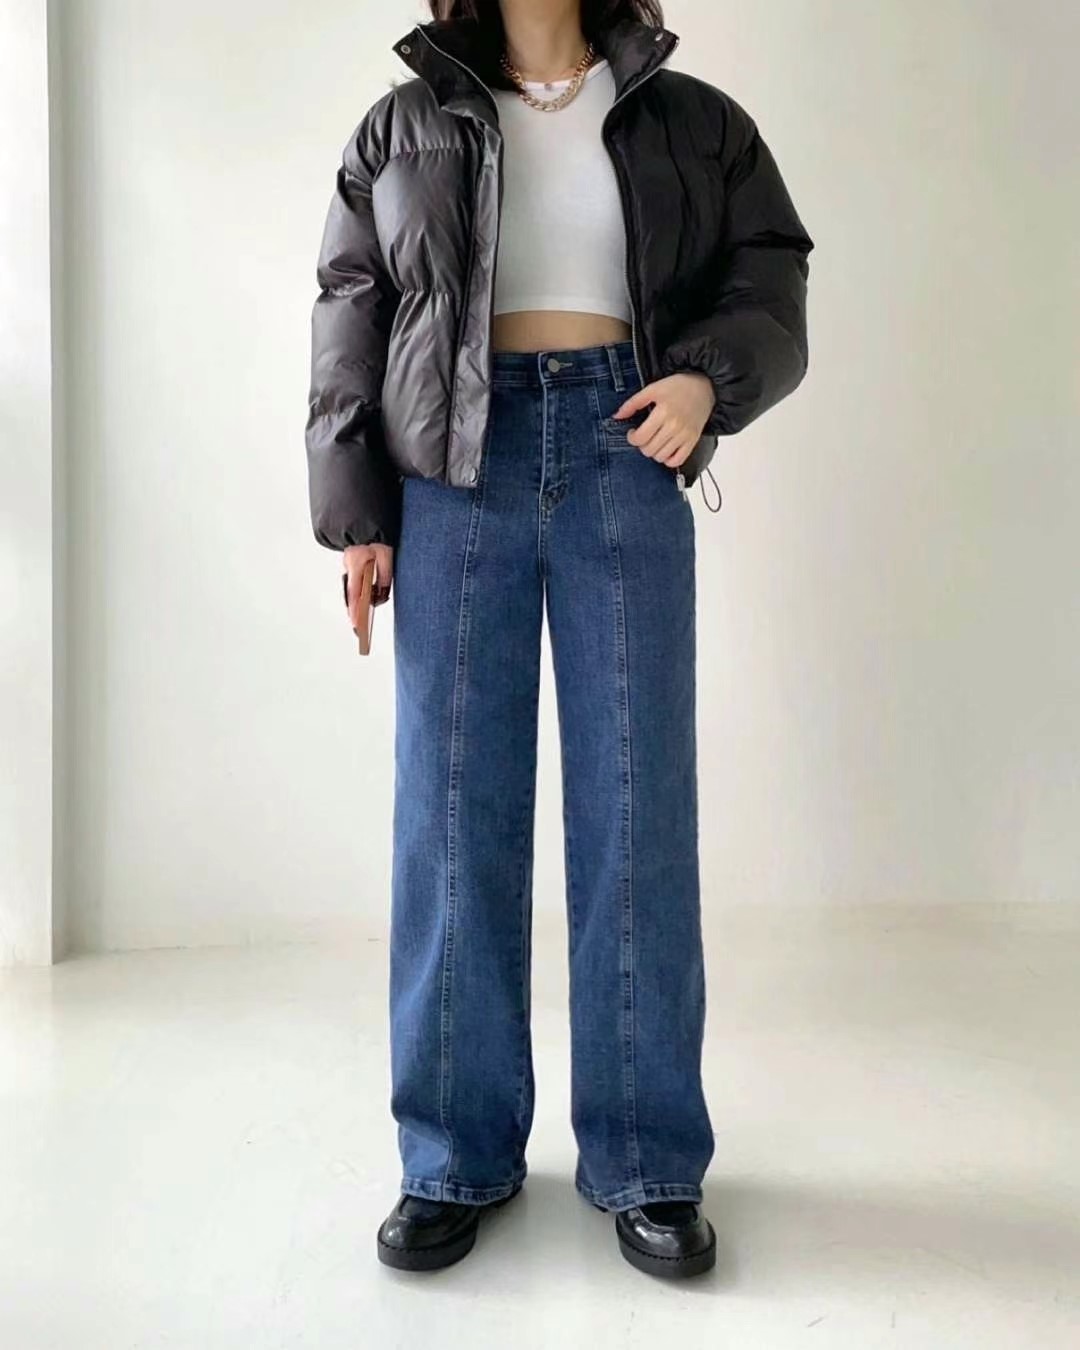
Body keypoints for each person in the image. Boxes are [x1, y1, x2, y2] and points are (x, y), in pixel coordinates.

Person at [304, 0, 813, 1279]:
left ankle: (647, 1158)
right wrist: (357, 516)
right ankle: (451, 1155)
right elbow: (351, 310)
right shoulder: (401, 126)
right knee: (451, 815)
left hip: (623, 446)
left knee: (638, 811)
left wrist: (704, 381)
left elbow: (770, 269)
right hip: (450, 472)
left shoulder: (692, 122)